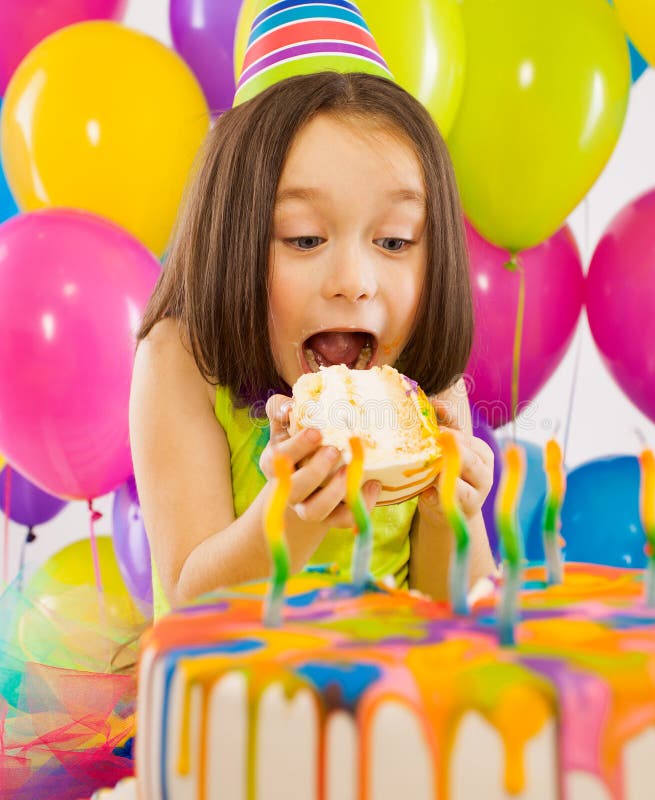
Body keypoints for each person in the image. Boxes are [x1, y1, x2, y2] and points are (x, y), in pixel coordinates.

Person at [130, 27, 495, 621]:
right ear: (235, 240)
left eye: (394, 240)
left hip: (390, 696)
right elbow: (189, 603)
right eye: (304, 237)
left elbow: (459, 617)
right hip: (238, 699)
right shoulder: (181, 360)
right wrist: (289, 516)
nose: (354, 281)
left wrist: (448, 515)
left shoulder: (424, 380)